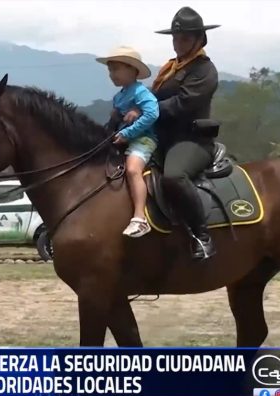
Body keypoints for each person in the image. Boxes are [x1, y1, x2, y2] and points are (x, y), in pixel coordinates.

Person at [151, 6, 221, 260]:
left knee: (174, 176)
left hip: (191, 140)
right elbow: (153, 97)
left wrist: (147, 111)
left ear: (199, 39)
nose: (178, 43)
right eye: (175, 38)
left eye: (184, 38)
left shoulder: (204, 70)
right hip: (162, 138)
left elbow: (183, 104)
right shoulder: (170, 68)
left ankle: (202, 236)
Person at [96, 46, 159, 238]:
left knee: (132, 169)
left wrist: (128, 133)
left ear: (133, 70)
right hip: (123, 140)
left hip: (143, 140)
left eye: (116, 69)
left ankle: (140, 218)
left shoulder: (140, 92)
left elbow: (152, 114)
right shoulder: (118, 97)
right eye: (110, 70)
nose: (112, 74)